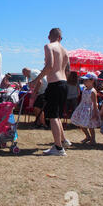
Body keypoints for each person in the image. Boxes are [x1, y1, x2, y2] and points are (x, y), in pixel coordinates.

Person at [32, 28, 71, 156]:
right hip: (64, 83)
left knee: (53, 116)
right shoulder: (65, 51)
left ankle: (58, 148)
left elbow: (49, 66)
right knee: (57, 115)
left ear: (49, 36)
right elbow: (68, 70)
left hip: (55, 83)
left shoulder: (49, 46)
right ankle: (63, 140)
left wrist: (36, 79)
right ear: (61, 37)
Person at [70, 72, 101, 145]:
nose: (84, 82)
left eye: (86, 80)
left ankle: (93, 139)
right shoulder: (84, 89)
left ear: (92, 81)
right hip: (82, 108)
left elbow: (94, 103)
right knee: (80, 123)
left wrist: (95, 113)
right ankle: (88, 136)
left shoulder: (93, 91)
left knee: (90, 126)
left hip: (89, 109)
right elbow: (82, 99)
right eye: (84, 80)